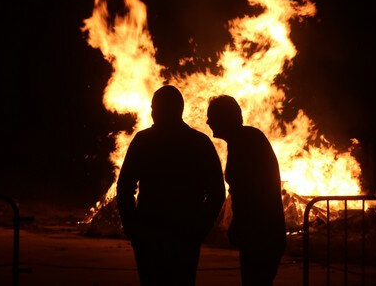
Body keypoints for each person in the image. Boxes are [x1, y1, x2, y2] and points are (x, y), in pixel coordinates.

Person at [116, 85, 225, 285]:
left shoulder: (144, 141)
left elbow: (124, 188)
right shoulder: (200, 143)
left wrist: (134, 228)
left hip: (152, 234)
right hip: (184, 235)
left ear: (163, 109)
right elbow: (217, 193)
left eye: (154, 107)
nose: (152, 112)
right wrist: (200, 229)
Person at [207, 95, 286, 286]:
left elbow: (250, 192)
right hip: (264, 232)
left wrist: (240, 225)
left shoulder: (245, 142)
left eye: (212, 116)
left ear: (225, 117)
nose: (208, 121)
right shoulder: (244, 139)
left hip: (261, 234)